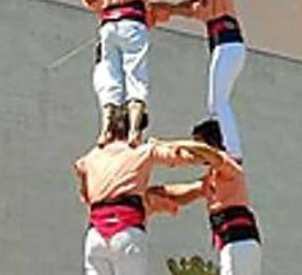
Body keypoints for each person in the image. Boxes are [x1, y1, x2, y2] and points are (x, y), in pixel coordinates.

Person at [77, 0, 208, 146]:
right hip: (131, 23)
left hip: (108, 26)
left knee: (111, 79)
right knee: (136, 76)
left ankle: (105, 129)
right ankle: (133, 130)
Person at [74, 106, 205, 275]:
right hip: (127, 230)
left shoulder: (91, 157)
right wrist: (211, 153)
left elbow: (86, 197)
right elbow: (186, 158)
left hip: (96, 233)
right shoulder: (142, 151)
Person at [152, 0, 246, 159]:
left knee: (218, 102)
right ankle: (219, 143)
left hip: (228, 45)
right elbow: (184, 8)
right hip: (225, 47)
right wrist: (160, 8)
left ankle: (232, 150)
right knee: (215, 103)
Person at [149, 120, 262, 275]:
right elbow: (185, 192)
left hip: (240, 241)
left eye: (197, 145)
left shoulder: (229, 165)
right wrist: (153, 192)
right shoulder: (212, 178)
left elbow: (207, 152)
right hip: (230, 242)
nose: (194, 155)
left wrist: (166, 145)